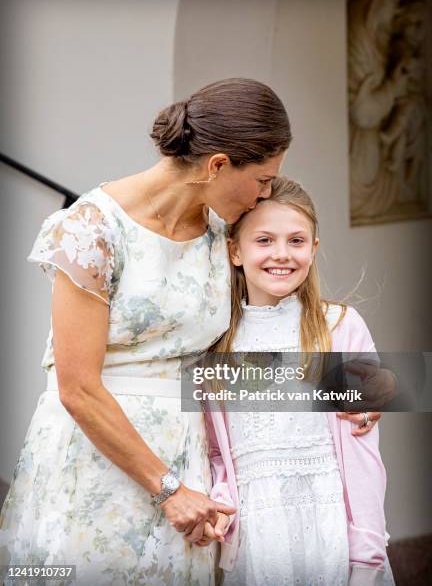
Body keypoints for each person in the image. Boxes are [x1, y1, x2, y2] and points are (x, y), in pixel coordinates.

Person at [0, 78, 379, 586]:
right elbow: (77, 388)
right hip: (101, 456)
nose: (265, 193)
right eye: (263, 179)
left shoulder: (225, 233)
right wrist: (168, 489)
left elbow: (238, 357)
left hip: (193, 455)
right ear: (218, 165)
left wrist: (364, 386)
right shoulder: (90, 231)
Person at [200, 177, 395, 585]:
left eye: (297, 240)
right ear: (235, 250)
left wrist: (367, 557)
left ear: (314, 249)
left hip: (333, 536)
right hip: (257, 542)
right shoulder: (214, 343)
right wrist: (221, 498)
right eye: (265, 240)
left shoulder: (338, 328)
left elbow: (363, 458)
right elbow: (215, 451)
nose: (282, 255)